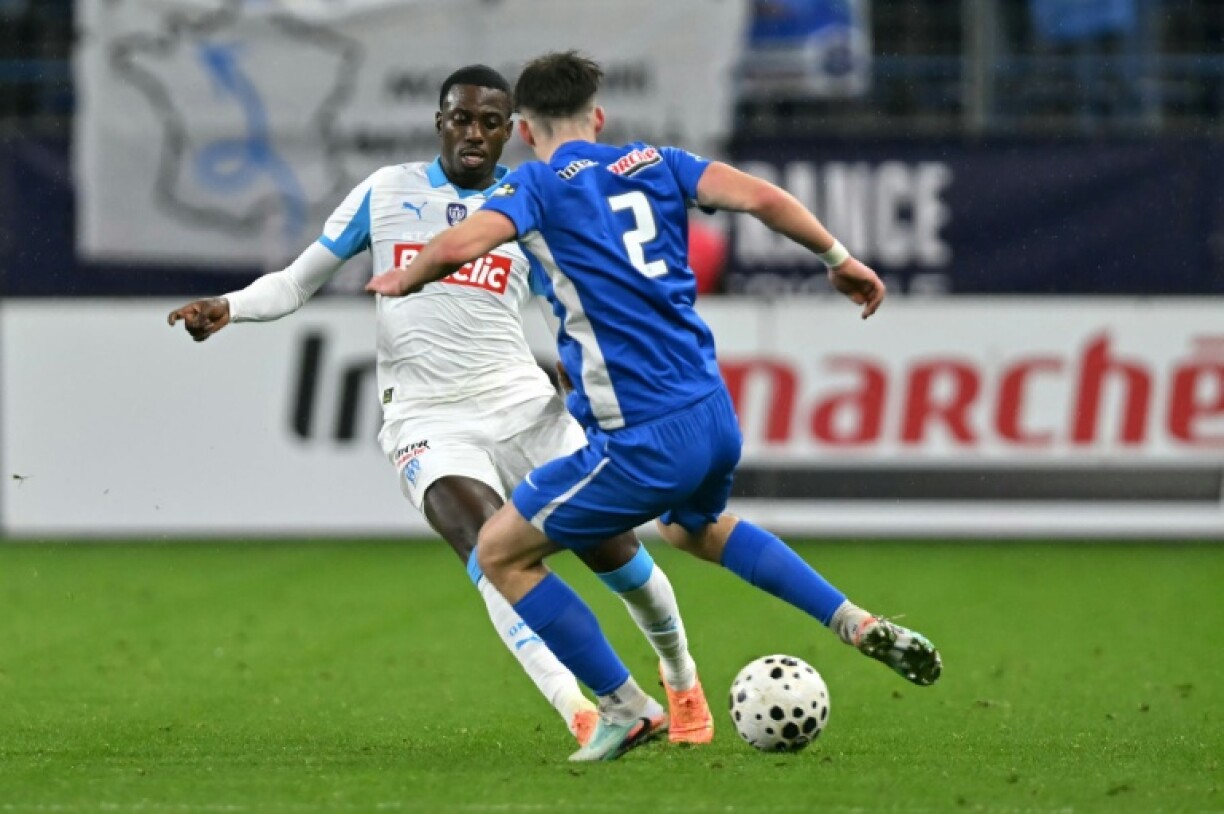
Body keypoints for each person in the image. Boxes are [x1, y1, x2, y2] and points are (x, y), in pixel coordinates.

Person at [367, 51, 943, 762]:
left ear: (522, 132)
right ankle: (853, 621)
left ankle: (623, 706)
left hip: (638, 438)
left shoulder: (538, 186)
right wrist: (838, 259)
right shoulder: (657, 162)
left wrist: (409, 273)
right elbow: (762, 197)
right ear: (598, 119)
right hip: (711, 414)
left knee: (501, 553)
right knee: (697, 530)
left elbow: (463, 241)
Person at [167, 65, 714, 748]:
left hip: (523, 406)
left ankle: (682, 679)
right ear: (439, 122)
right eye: (462, 118)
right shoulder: (386, 191)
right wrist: (230, 307)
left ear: (512, 130)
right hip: (428, 420)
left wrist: (582, 378)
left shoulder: (530, 200)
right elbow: (293, 282)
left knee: (618, 555)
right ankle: (591, 707)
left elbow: (573, 304)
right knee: (490, 553)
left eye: (491, 121)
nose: (475, 133)